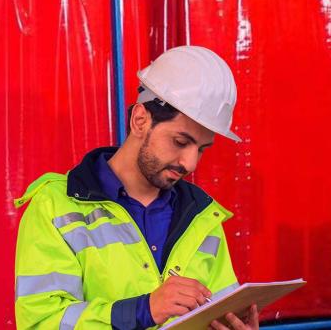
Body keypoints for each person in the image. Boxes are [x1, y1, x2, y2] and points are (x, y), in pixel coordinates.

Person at [14, 46, 259, 330]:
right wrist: (143, 310)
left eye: (201, 149)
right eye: (180, 142)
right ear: (140, 120)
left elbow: (217, 313)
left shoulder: (203, 217)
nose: (190, 163)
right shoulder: (56, 207)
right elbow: (41, 322)